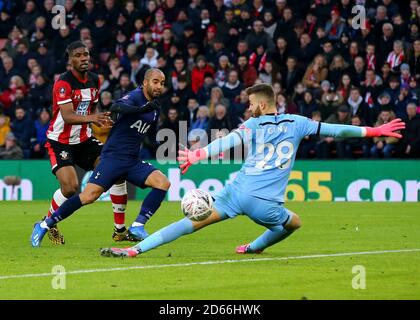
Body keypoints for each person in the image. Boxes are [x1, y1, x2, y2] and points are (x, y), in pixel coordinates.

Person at [99, 83, 405, 258]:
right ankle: (252, 247)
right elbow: (337, 131)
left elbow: (229, 142)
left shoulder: (253, 124)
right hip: (264, 203)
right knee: (293, 223)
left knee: (189, 224)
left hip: (235, 192)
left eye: (250, 104)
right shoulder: (298, 122)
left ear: (261, 105)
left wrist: (197, 154)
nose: (248, 108)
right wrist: (374, 131)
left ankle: (135, 250)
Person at [31, 68, 170, 247]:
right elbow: (116, 107)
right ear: (145, 83)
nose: (159, 86)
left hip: (132, 161)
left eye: (162, 83)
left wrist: (168, 146)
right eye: (155, 82)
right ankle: (44, 224)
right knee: (88, 196)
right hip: (113, 158)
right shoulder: (136, 97)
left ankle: (136, 227)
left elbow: (148, 138)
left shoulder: (155, 109)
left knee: (163, 183)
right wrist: (142, 108)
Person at [41, 41, 132, 245]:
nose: (84, 58)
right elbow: (68, 116)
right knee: (71, 188)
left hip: (84, 139)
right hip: (60, 141)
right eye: (79, 55)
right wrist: (94, 118)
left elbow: (91, 108)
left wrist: (102, 119)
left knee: (116, 172)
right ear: (70, 59)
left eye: (86, 54)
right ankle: (48, 223)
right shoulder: (63, 83)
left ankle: (119, 230)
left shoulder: (94, 80)